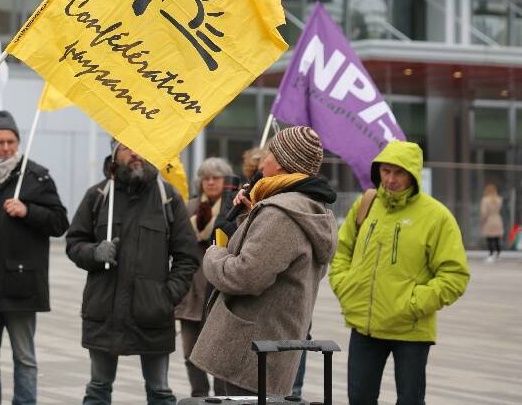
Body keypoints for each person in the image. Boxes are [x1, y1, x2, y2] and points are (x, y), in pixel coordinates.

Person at [191, 126, 337, 397]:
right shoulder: (303, 207)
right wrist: (248, 219)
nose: (263, 159)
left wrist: (213, 253)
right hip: (264, 347)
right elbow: (273, 258)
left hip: (250, 352)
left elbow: (245, 276)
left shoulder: (281, 213)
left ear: (281, 162)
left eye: (269, 152)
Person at [329, 140, 470, 405]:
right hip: (365, 326)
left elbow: (455, 275)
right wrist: (345, 286)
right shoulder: (366, 204)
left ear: (413, 175)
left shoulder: (437, 216)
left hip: (411, 329)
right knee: (358, 398)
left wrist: (413, 303)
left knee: (410, 400)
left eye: (399, 172)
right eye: (385, 171)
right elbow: (341, 250)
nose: (391, 179)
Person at [66, 140, 200, 405]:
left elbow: (187, 256)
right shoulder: (99, 195)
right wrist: (94, 252)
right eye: (127, 147)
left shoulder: (168, 197)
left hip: (152, 313)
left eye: (141, 145)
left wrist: (166, 296)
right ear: (115, 154)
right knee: (98, 388)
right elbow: (74, 243)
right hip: (104, 312)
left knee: (160, 391)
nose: (135, 152)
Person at [0, 110, 69, 405]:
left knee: (25, 358)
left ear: (18, 142)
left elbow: (61, 222)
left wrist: (29, 211)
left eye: (10, 141)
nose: (5, 148)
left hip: (21, 287)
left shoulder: (37, 177)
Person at [174, 157, 233, 398]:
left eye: (216, 178)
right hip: (190, 292)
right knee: (190, 352)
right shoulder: (190, 208)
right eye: (206, 178)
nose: (210, 182)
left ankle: (220, 397)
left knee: (219, 354)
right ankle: (198, 395)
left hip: (218, 292)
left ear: (225, 181)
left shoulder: (233, 209)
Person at [480, 183, 505, 261]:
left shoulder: (485, 200)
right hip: (497, 219)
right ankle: (498, 254)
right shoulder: (499, 199)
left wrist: (482, 220)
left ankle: (491, 254)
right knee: (497, 238)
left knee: (489, 238)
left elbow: (484, 212)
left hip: (489, 220)